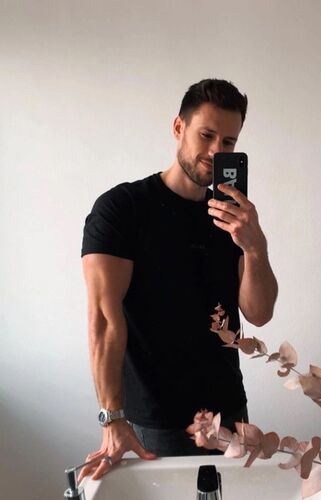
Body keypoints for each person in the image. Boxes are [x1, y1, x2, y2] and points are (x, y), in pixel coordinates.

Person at [78, 78, 278, 481]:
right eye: (207, 135)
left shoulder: (231, 219)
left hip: (229, 414)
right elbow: (103, 318)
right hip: (156, 421)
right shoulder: (122, 209)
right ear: (178, 127)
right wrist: (111, 418)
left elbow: (259, 313)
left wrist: (255, 247)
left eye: (228, 141)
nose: (216, 150)